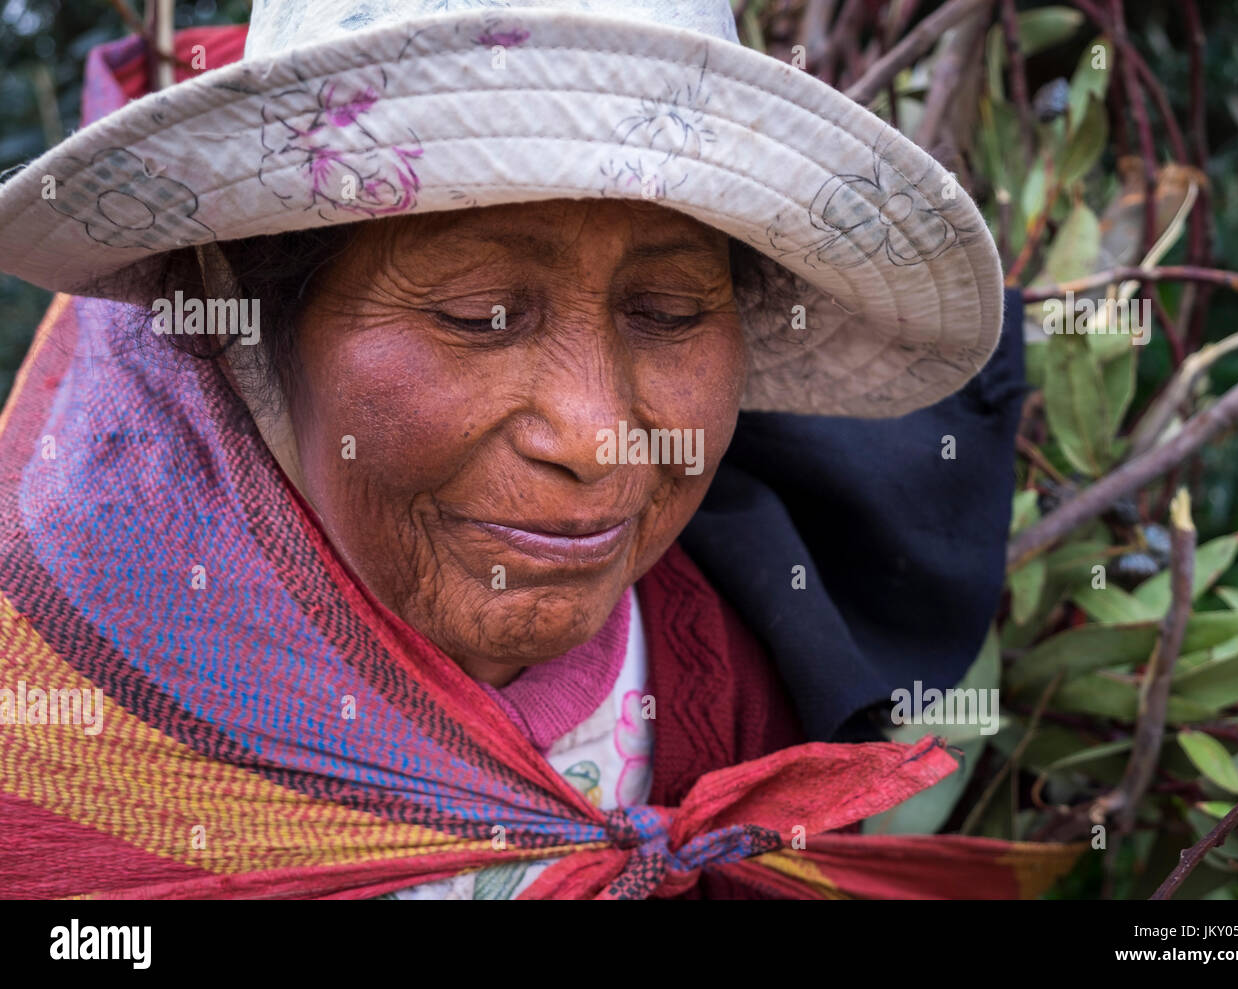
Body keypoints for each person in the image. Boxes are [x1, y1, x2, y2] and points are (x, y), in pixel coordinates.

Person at [0, 0, 1072, 899]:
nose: (594, 438)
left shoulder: (739, 679)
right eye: (476, 314)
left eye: (666, 309)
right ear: (257, 327)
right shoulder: (68, 739)